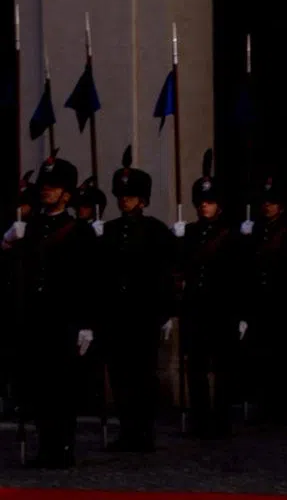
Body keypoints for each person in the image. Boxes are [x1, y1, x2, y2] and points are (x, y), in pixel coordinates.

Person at [1, 157, 98, 468]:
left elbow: (89, 280)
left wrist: (86, 323)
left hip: (64, 318)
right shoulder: (29, 228)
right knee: (39, 386)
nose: (46, 191)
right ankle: (45, 446)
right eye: (44, 186)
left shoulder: (79, 232)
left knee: (62, 387)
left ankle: (63, 446)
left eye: (53, 187)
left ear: (66, 194)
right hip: (34, 318)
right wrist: (7, 242)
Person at [99, 147, 177, 452]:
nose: (124, 201)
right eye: (121, 196)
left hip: (143, 313)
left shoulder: (156, 231)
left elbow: (165, 273)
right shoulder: (109, 230)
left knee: (143, 376)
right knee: (120, 377)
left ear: (142, 199)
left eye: (130, 196)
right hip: (117, 315)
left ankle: (144, 432)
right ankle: (127, 430)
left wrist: (167, 311)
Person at [175, 151, 242, 439]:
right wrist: (175, 240)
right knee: (197, 367)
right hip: (195, 308)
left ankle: (222, 420)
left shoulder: (230, 236)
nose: (204, 207)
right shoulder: (189, 233)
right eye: (201, 202)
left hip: (221, 307)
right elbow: (179, 270)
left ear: (220, 206)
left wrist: (241, 313)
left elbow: (240, 276)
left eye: (210, 202)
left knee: (224, 367)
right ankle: (200, 419)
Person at [239, 174, 287, 422]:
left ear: (281, 206)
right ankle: (264, 405)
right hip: (260, 305)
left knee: (282, 358)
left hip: (282, 304)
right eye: (265, 202)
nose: (267, 206)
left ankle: (283, 407)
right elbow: (247, 271)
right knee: (261, 357)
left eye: (272, 202)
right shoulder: (254, 233)